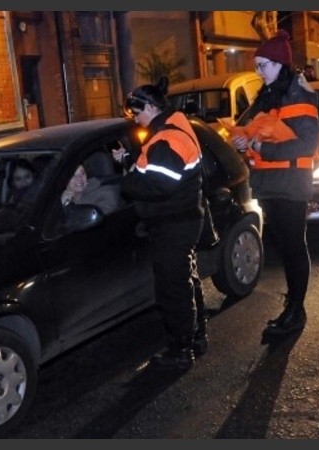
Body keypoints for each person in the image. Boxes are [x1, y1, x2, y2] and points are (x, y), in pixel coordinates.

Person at [113, 75, 206, 371]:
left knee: (173, 288)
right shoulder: (170, 129)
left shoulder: (168, 138)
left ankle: (181, 350)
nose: (135, 119)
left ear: (151, 107)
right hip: (182, 219)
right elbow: (155, 165)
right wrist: (129, 158)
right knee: (186, 281)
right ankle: (196, 336)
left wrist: (125, 184)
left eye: (136, 112)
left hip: (172, 224)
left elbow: (157, 184)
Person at [231, 30, 319, 337]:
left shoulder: (298, 94)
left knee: (294, 247)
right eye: (256, 65)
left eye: (263, 65)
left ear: (281, 64)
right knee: (286, 246)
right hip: (269, 183)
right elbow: (254, 132)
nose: (258, 72)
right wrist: (243, 141)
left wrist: (259, 147)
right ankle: (294, 307)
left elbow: (307, 144)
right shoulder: (267, 94)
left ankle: (295, 310)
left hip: (291, 184)